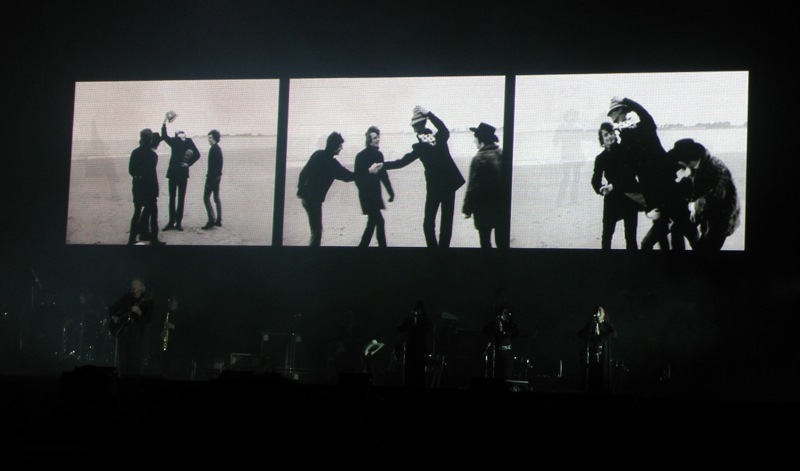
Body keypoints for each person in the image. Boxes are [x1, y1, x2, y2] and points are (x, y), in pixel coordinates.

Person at [607, 97, 692, 251]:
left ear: (620, 110)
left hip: (667, 183)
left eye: (612, 112)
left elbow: (644, 114)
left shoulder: (644, 126)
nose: (610, 116)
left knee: (683, 227)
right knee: (663, 228)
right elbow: (629, 170)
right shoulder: (624, 140)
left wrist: (627, 100)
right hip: (653, 190)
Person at [383, 106, 466, 248]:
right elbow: (443, 128)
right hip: (448, 186)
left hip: (435, 189)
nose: (415, 130)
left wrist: (382, 165)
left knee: (429, 224)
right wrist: (429, 114)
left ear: (419, 126)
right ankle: (441, 252)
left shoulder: (421, 147)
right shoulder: (439, 138)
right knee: (445, 223)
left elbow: (401, 163)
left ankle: (434, 253)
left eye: (415, 126)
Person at [297, 132, 381, 247]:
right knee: (316, 231)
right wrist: (369, 171)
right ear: (335, 146)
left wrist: (300, 189)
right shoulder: (332, 164)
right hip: (314, 201)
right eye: (340, 145)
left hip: (305, 197)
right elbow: (349, 177)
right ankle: (313, 256)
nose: (342, 148)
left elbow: (303, 173)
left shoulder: (317, 154)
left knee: (315, 230)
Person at [670, 138, 741, 251]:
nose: (678, 164)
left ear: (688, 160)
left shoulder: (717, 169)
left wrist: (694, 206)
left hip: (722, 220)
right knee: (676, 228)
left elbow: (717, 196)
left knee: (706, 250)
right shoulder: (698, 165)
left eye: (680, 161)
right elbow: (696, 190)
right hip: (707, 214)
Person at [590, 122, 642, 250]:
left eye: (611, 133)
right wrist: (601, 189)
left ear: (615, 134)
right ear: (602, 139)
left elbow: (630, 174)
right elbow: (595, 180)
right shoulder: (600, 158)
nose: (610, 137)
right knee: (607, 235)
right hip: (612, 199)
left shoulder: (625, 150)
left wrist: (613, 186)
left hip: (630, 196)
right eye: (606, 135)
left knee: (630, 237)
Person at [462, 122, 508, 248]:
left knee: (485, 242)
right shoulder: (502, 153)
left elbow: (473, 187)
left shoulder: (478, 159)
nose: (474, 141)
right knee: (502, 243)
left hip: (483, 208)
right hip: (501, 205)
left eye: (475, 138)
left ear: (481, 140)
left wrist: (467, 209)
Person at [355, 126, 395, 248]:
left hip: (375, 194)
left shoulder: (378, 154)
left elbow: (383, 175)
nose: (377, 139)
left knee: (373, 223)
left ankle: (363, 248)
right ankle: (381, 248)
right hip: (367, 195)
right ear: (369, 140)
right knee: (378, 221)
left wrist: (390, 192)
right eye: (374, 137)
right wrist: (365, 191)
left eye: (378, 136)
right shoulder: (361, 156)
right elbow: (358, 178)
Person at [161, 112, 201, 232]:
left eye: (181, 134)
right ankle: (173, 222)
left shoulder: (183, 141)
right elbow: (164, 136)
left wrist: (188, 163)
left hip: (179, 174)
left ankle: (176, 222)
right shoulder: (179, 141)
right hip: (176, 174)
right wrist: (164, 121)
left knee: (178, 198)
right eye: (180, 134)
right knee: (174, 198)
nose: (180, 135)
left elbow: (197, 154)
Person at [107, 276, 153, 377]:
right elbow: (113, 308)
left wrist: (139, 312)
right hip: (123, 332)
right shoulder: (127, 297)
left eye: (136, 284)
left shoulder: (147, 300)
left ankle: (133, 382)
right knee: (123, 358)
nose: (133, 285)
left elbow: (148, 319)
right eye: (133, 283)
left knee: (134, 358)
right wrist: (115, 316)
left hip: (137, 333)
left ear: (141, 287)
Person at [127, 129, 165, 245]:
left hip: (138, 186)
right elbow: (152, 174)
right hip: (149, 188)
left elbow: (131, 171)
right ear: (150, 139)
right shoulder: (153, 155)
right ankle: (154, 239)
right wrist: (156, 191)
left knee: (137, 212)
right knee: (153, 213)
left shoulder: (134, 152)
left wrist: (138, 177)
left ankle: (132, 239)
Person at [578, 305, 617, 394]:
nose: (598, 312)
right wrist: (591, 334)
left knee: (602, 375)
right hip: (591, 355)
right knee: (591, 375)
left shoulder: (607, 325)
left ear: (603, 314)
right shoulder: (591, 324)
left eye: (600, 310)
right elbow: (580, 334)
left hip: (603, 355)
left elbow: (614, 334)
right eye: (596, 310)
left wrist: (600, 335)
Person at [396, 300, 432, 388]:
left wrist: (418, 322)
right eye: (416, 309)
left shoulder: (425, 322)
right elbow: (399, 329)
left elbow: (428, 329)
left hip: (420, 350)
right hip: (410, 350)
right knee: (409, 372)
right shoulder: (409, 321)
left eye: (419, 310)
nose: (417, 312)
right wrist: (410, 322)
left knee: (419, 373)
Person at [482, 304, 518, 381]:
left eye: (506, 313)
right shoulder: (495, 325)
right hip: (498, 355)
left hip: (508, 356)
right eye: (503, 313)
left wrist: (502, 329)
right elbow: (488, 333)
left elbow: (512, 334)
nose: (504, 315)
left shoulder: (511, 325)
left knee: (507, 377)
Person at [202, 129, 224, 230]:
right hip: (217, 177)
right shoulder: (218, 148)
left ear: (214, 138)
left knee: (206, 197)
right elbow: (219, 166)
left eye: (210, 138)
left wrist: (208, 180)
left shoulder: (213, 149)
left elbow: (212, 167)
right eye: (208, 138)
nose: (208, 140)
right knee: (216, 198)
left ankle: (212, 219)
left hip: (213, 178)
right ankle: (219, 219)